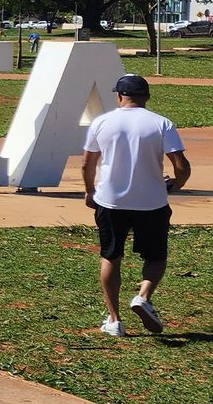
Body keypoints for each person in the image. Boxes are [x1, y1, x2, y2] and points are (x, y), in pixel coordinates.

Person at [81, 73, 191, 336]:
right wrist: (176, 185)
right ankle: (143, 296)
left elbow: (87, 164)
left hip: (110, 201)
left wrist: (89, 192)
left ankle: (114, 320)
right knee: (155, 256)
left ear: (120, 96)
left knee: (111, 256)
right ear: (147, 97)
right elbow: (182, 166)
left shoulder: (102, 122)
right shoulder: (162, 124)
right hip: (152, 202)